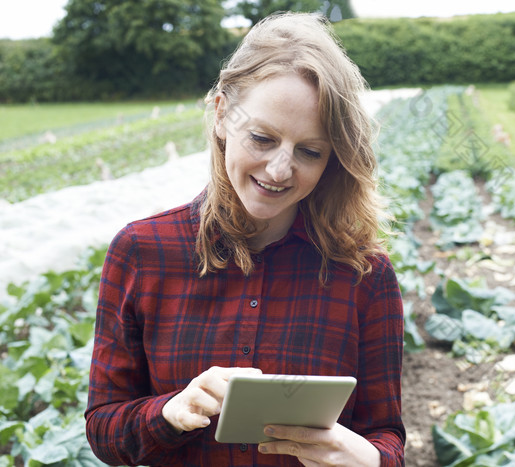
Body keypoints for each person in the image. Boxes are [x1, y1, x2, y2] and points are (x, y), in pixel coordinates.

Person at [85, 12, 405, 467]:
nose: (279, 170)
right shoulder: (140, 253)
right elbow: (103, 429)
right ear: (221, 115)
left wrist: (371, 460)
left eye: (309, 151)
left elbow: (387, 434)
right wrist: (170, 412)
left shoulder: (363, 275)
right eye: (262, 138)